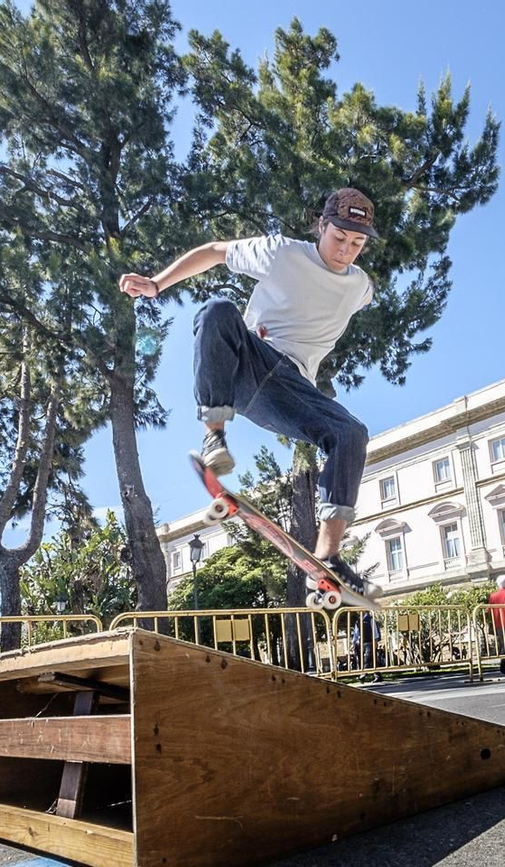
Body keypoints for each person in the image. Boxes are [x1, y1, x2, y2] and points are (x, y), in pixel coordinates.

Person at [119, 188, 379, 588]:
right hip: (249, 366)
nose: (346, 250)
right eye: (339, 238)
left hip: (291, 391)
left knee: (351, 434)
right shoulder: (282, 252)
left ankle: (328, 558)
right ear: (322, 226)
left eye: (357, 243)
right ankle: (214, 439)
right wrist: (156, 284)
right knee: (217, 311)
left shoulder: (361, 286)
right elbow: (214, 251)